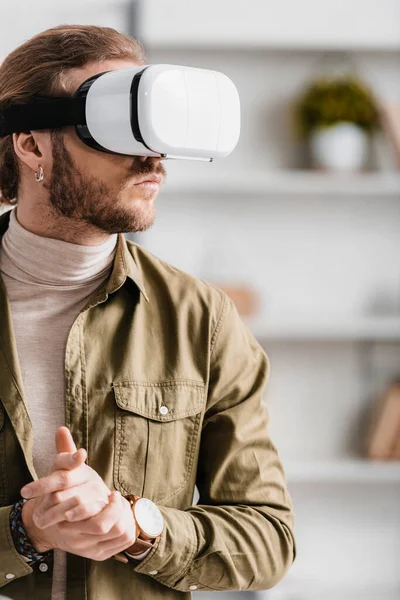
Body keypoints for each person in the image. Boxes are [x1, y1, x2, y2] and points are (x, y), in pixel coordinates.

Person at [0, 25, 296, 600]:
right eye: (115, 126)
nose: (152, 156)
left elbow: (269, 539)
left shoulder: (201, 321)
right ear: (31, 145)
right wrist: (25, 529)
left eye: (155, 127)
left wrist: (141, 526)